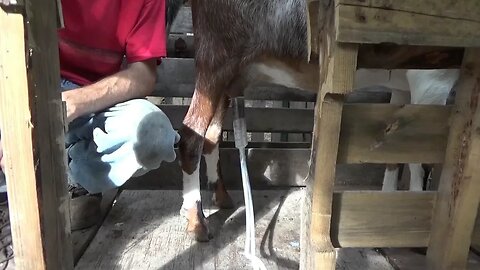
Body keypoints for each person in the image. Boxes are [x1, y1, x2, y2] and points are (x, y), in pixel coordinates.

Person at [0, 0, 179, 267]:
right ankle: (7, 200)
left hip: (92, 102)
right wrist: (11, 112)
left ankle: (72, 179)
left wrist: (75, 102)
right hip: (25, 78)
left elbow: (143, 74)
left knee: (155, 134)